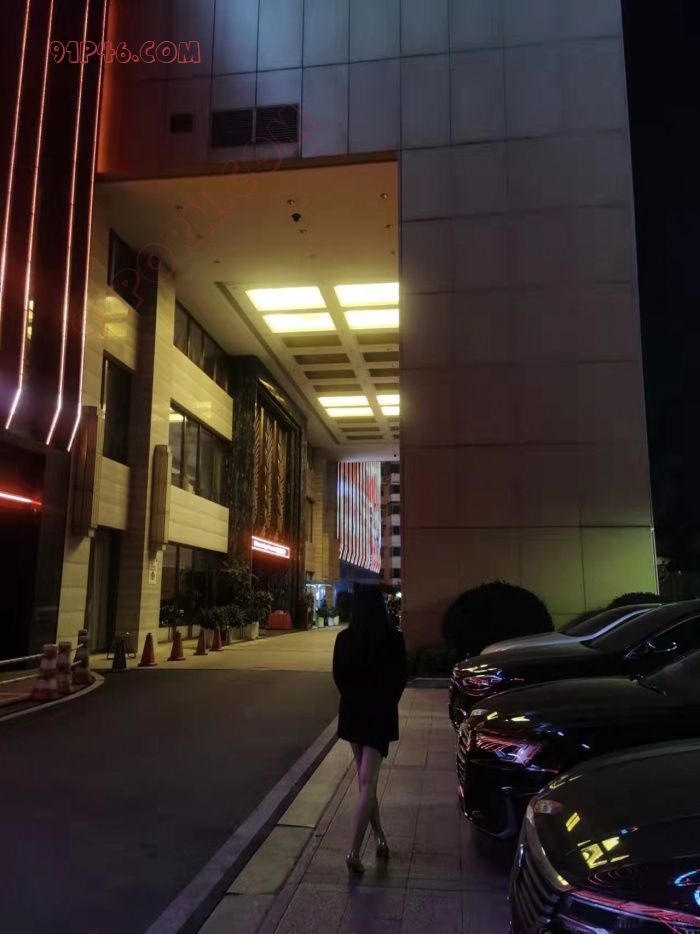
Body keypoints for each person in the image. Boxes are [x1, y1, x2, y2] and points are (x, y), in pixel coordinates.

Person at [332, 584, 408, 874]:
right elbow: (400, 677)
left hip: (353, 712)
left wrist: (353, 697)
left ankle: (379, 838)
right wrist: (387, 702)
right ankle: (353, 851)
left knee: (365, 781)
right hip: (379, 713)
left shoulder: (344, 639)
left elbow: (338, 676)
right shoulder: (393, 639)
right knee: (368, 781)